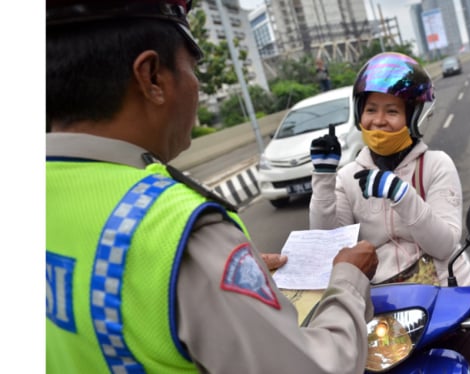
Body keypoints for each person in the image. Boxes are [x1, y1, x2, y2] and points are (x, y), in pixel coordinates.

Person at [46, 1, 379, 373]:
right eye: (193, 67)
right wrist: (349, 279)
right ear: (152, 77)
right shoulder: (176, 229)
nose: (197, 86)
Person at [308, 51, 470, 373]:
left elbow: (445, 245)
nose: (378, 120)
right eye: (370, 109)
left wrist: (402, 194)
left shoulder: (436, 165)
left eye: (392, 111)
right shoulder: (348, 176)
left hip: (451, 303)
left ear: (414, 117)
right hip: (387, 314)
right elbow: (329, 244)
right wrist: (323, 179)